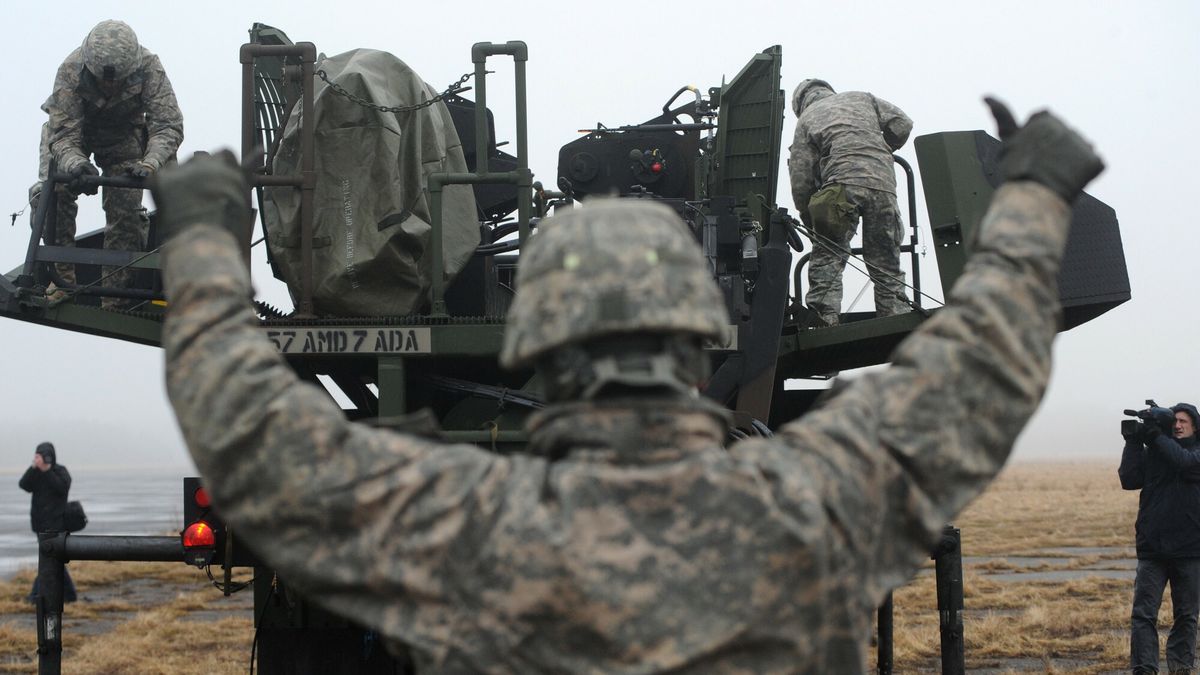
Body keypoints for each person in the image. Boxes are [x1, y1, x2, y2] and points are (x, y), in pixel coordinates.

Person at [150, 97, 1102, 672]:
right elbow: (982, 367)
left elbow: (241, 414)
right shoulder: (817, 502)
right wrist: (1031, 198)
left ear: (538, 346)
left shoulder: (449, 520)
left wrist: (200, 236)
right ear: (697, 335)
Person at [41, 19, 183, 308]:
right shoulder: (71, 70)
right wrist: (76, 165)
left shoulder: (149, 67)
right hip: (75, 136)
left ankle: (114, 297)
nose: (108, 85)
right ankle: (62, 280)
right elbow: (64, 135)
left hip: (123, 138)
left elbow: (168, 126)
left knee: (125, 210)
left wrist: (150, 163)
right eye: (102, 79)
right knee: (51, 196)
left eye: (115, 80)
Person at [788, 79, 913, 327]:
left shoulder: (807, 118)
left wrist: (809, 218)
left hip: (841, 189)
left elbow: (801, 177)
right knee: (886, 261)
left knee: (829, 254)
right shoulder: (862, 98)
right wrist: (883, 148)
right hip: (883, 185)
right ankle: (896, 316)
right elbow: (903, 123)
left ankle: (824, 320)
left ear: (801, 103)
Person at [1119, 403, 1200, 675]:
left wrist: (1155, 436)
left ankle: (1180, 669)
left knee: (1186, 617)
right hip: (1153, 548)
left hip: (1191, 549)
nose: (1177, 425)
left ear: (1195, 426)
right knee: (1143, 615)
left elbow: (1184, 463)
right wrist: (1133, 442)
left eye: (1183, 421)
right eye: (1174, 420)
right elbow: (1129, 479)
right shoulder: (1156, 450)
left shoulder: (1196, 453)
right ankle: (1144, 670)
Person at [18, 442, 76, 603]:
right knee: (52, 560)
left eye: (40, 456)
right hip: (40, 525)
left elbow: (62, 489)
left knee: (50, 560)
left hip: (57, 525)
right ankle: (69, 595)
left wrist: (47, 471)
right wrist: (33, 468)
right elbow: (23, 485)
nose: (38, 459)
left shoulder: (60, 471)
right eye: (37, 456)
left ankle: (36, 595)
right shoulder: (35, 473)